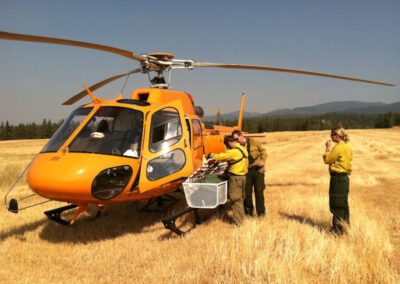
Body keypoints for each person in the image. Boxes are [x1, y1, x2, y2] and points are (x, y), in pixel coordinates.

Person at [209, 135, 248, 225]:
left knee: (235, 199)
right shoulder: (243, 149)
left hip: (235, 178)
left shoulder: (234, 151)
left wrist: (211, 155)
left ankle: (238, 223)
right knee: (240, 199)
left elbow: (220, 157)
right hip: (243, 177)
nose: (227, 147)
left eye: (227, 145)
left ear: (229, 143)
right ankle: (241, 219)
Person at [323, 124, 353, 235]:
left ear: (337, 135)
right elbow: (349, 164)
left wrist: (327, 149)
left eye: (332, 134)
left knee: (336, 203)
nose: (330, 137)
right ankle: (346, 226)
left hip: (337, 178)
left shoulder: (338, 148)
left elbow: (327, 159)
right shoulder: (347, 147)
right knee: (343, 203)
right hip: (345, 178)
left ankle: (337, 231)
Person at [232, 130, 267, 216]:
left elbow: (263, 151)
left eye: (237, 138)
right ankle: (248, 212)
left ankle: (261, 213)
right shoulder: (237, 147)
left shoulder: (254, 141)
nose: (236, 141)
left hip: (258, 170)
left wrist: (262, 161)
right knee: (247, 193)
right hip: (246, 171)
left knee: (259, 192)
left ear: (241, 135)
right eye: (235, 140)